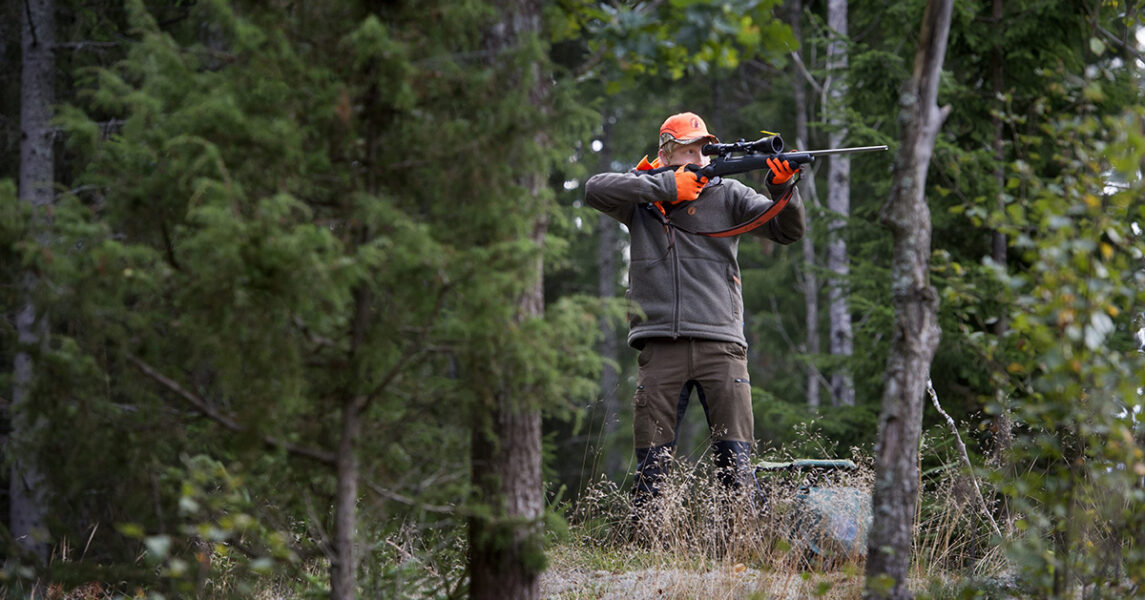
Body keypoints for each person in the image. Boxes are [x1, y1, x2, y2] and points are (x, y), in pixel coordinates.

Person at [585, 111, 805, 512]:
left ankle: (739, 551)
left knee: (735, 465)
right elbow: (594, 189)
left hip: (721, 345)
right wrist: (667, 186)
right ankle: (648, 556)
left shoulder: (729, 193)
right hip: (660, 348)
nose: (698, 159)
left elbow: (787, 231)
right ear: (665, 155)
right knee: (651, 472)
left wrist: (783, 187)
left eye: (701, 150)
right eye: (687, 151)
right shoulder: (643, 197)